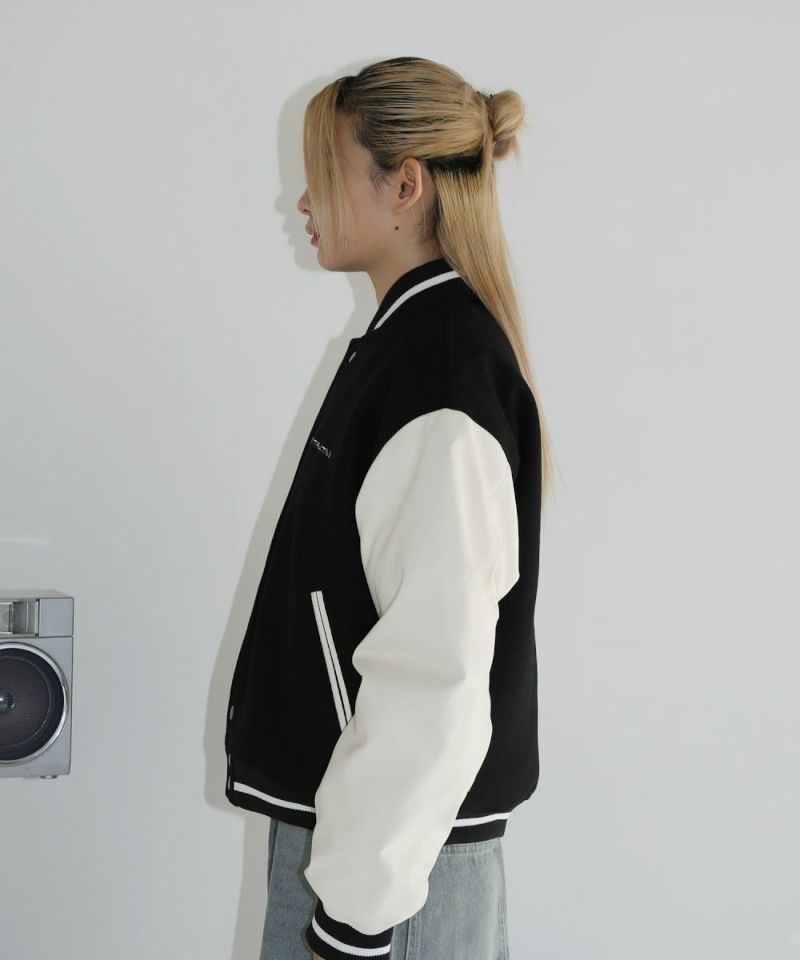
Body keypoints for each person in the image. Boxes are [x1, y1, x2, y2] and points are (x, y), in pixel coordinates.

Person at [224, 55, 554, 960]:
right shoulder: (410, 349)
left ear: (405, 185)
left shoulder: (437, 371)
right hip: (375, 854)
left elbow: (437, 667)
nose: (301, 201)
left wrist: (355, 919)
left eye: (323, 174)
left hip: (388, 880)